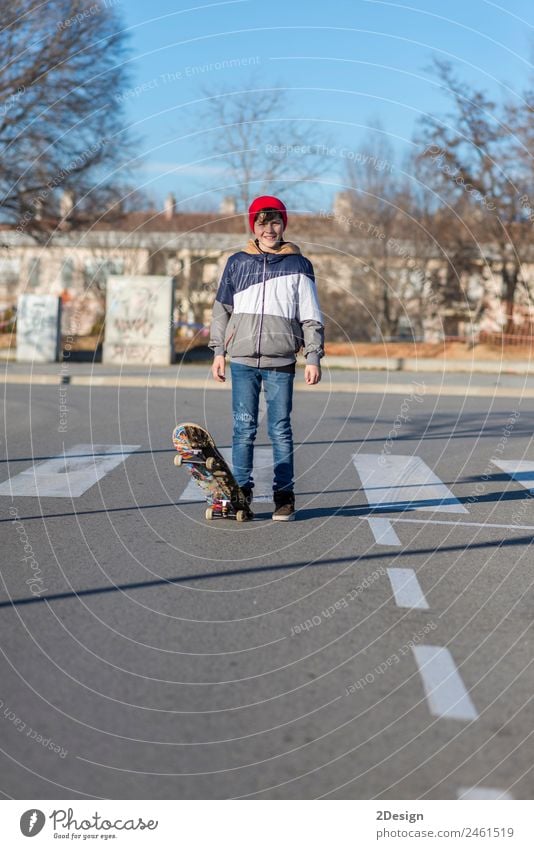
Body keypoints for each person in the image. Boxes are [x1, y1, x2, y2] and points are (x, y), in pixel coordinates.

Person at [209, 195, 324, 521]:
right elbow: (222, 311)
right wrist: (219, 352)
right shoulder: (237, 263)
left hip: (281, 360)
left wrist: (313, 356)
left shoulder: (299, 265)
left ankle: (283, 497)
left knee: (279, 429)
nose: (269, 229)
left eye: (275, 222)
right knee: (243, 428)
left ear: (283, 224)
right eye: (263, 222)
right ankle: (240, 493)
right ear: (253, 226)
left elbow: (311, 315)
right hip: (242, 359)